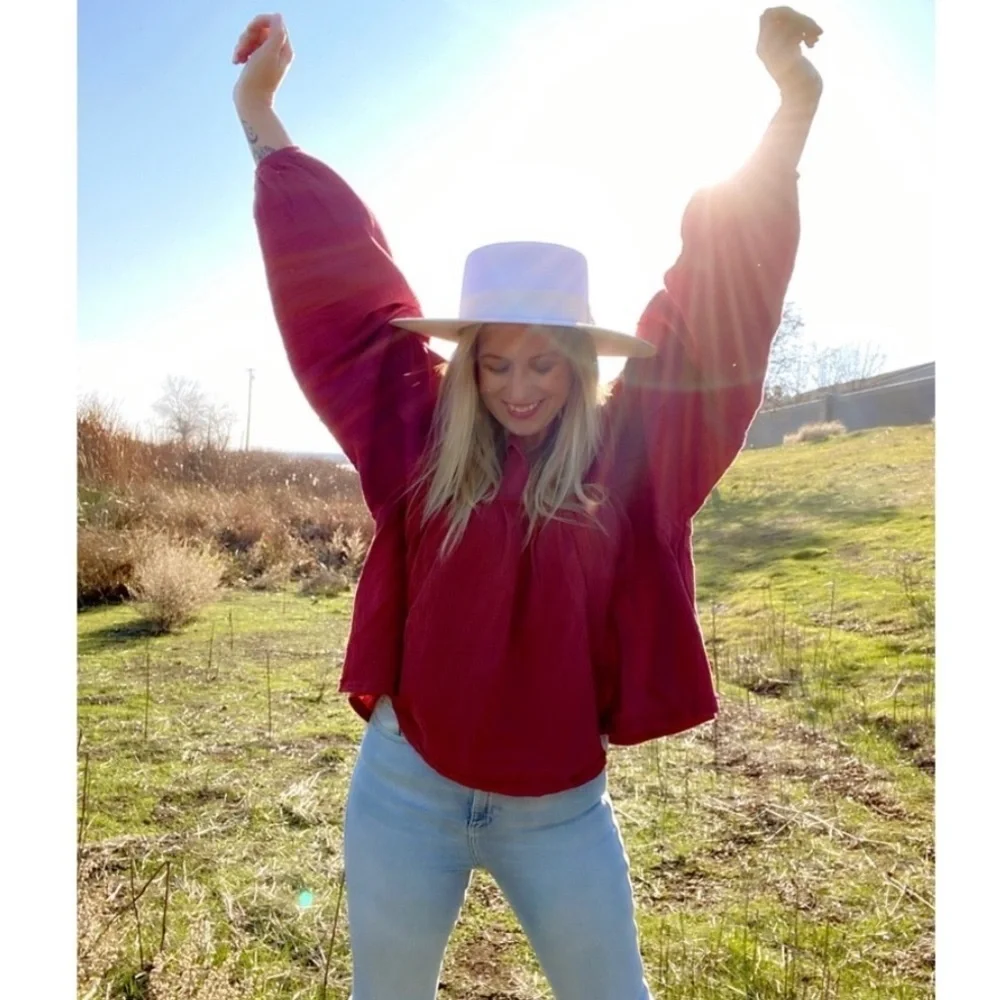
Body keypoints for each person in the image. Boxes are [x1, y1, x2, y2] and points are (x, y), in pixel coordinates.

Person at [232, 8, 823, 998]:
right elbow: (337, 290)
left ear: (580, 361)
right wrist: (259, 117)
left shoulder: (636, 455)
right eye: (495, 361)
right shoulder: (419, 437)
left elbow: (717, 301)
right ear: (466, 364)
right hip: (404, 790)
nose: (517, 386)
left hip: (558, 812)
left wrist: (789, 112)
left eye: (544, 361)